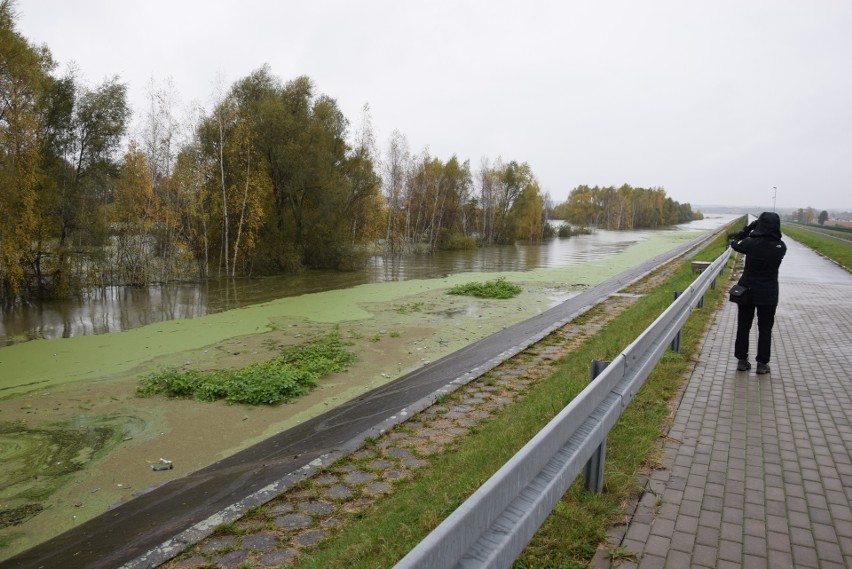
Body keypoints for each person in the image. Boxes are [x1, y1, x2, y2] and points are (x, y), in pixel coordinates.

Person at [729, 212, 787, 374]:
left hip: (747, 290)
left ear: (760, 224)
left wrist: (749, 229)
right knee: (765, 329)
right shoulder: (781, 247)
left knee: (743, 326)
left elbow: (734, 242)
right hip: (769, 293)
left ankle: (742, 361)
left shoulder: (749, 243)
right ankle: (762, 364)